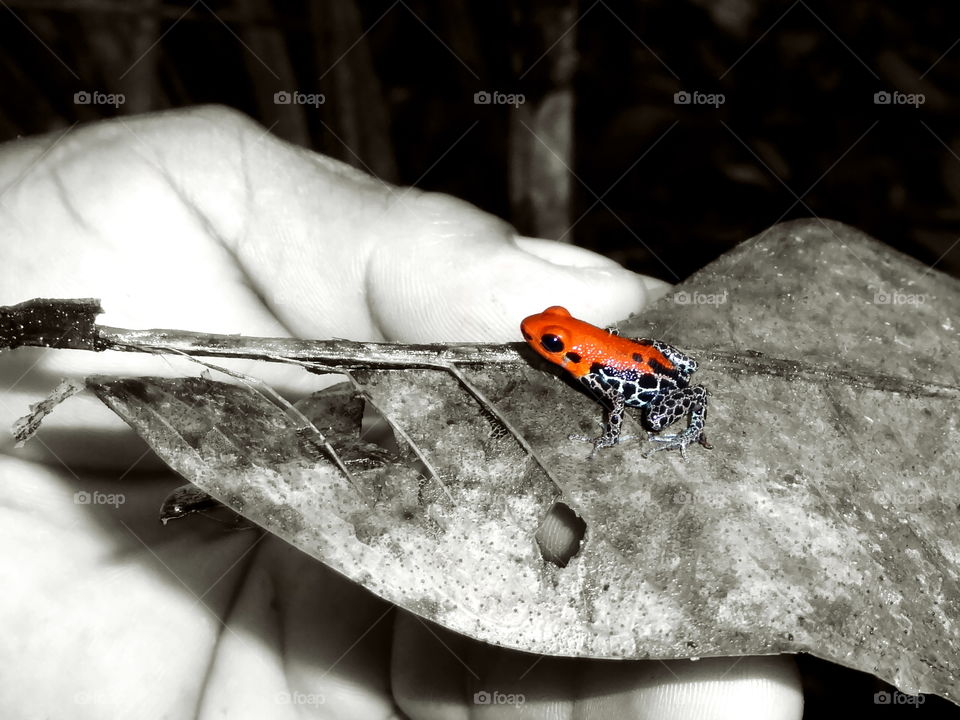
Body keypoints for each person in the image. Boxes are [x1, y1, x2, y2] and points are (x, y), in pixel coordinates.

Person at [0, 105, 802, 718]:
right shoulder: (574, 349)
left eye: (554, 348)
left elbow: (617, 393)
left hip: (654, 381)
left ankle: (684, 422)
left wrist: (626, 421)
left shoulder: (596, 365)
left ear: (572, 351)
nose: (543, 345)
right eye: (552, 342)